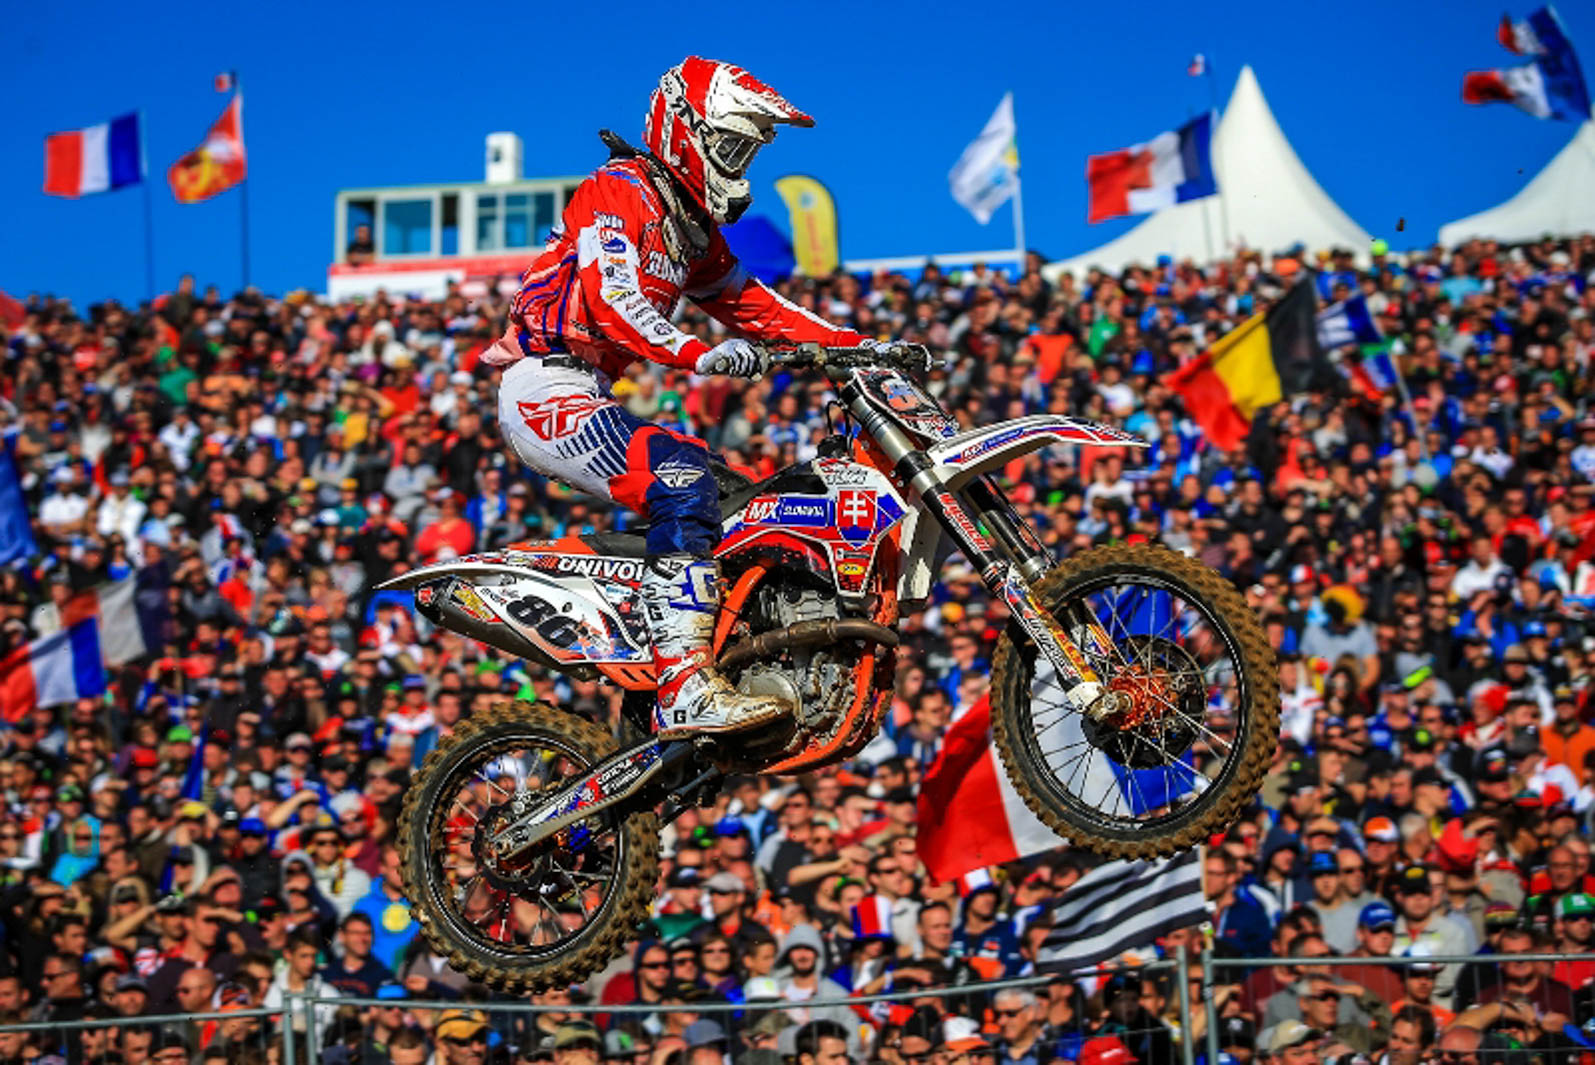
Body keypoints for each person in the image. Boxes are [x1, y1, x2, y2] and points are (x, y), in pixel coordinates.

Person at [486, 56, 874, 739]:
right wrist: (697, 352)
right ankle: (683, 683)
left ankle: (719, 660)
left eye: (748, 152)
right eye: (732, 147)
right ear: (685, 131)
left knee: (742, 503)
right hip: (544, 386)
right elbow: (614, 299)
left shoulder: (690, 231)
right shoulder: (619, 188)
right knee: (682, 478)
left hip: (586, 388)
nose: (739, 165)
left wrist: (860, 346)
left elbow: (759, 307)